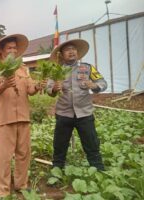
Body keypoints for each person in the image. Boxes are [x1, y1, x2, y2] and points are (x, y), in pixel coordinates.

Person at [0, 34, 44, 197]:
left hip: (24, 117)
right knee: (4, 157)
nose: (13, 50)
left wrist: (38, 86)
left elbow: (30, 90)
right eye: (9, 48)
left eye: (14, 48)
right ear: (2, 50)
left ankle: (21, 185)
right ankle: (3, 191)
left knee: (23, 154)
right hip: (5, 118)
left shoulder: (23, 68)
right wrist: (4, 84)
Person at [46, 39, 107, 171]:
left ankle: (99, 170)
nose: (71, 51)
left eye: (73, 49)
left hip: (84, 113)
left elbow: (103, 83)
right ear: (61, 54)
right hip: (63, 114)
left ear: (77, 52)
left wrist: (94, 85)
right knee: (60, 145)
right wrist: (55, 88)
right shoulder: (57, 70)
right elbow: (48, 89)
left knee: (92, 144)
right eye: (67, 50)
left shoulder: (87, 68)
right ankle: (57, 171)